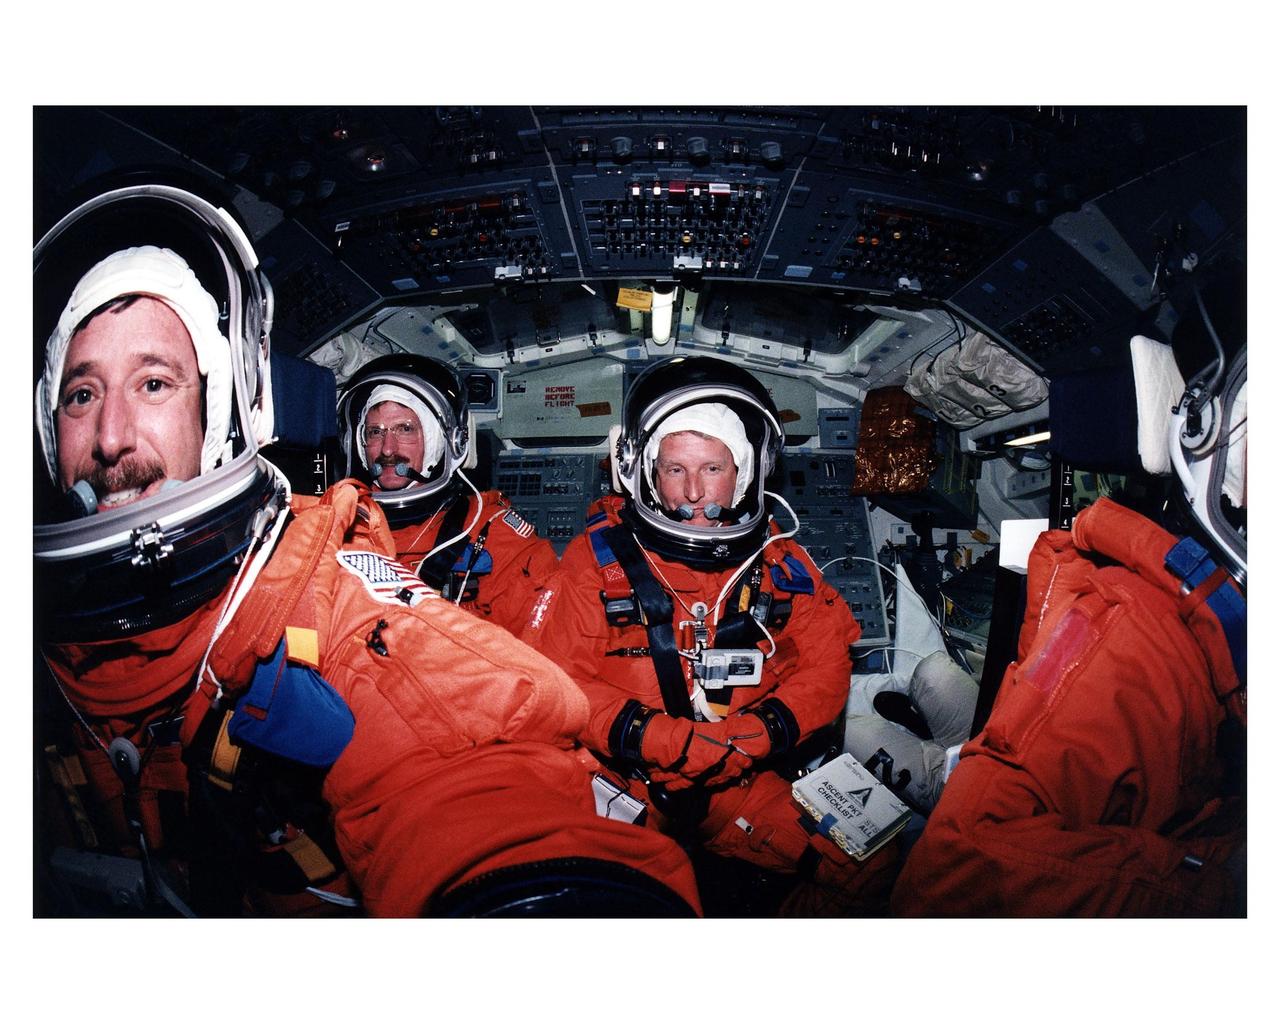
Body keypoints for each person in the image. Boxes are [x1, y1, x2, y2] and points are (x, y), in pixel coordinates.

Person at [33, 182, 700, 917]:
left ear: (221, 410)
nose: (112, 437)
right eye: (81, 395)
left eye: (154, 383)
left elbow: (468, 748)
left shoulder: (338, 579)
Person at [892, 328, 1246, 916]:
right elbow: (960, 865)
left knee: (932, 677)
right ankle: (944, 772)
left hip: (1016, 769)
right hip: (1009, 788)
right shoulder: (1132, 642)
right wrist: (1225, 891)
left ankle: (949, 767)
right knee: (925, 681)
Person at [526, 356, 898, 915]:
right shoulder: (593, 561)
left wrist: (757, 734)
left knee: (868, 865)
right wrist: (657, 740)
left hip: (737, 777)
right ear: (647, 474)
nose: (694, 492)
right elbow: (557, 681)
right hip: (626, 779)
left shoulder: (778, 560)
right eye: (675, 469)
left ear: (745, 473)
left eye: (713, 469)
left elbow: (825, 666)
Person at [336, 355, 557, 638]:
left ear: (445, 442)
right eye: (375, 432)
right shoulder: (337, 527)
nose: (387, 449)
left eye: (405, 429)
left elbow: (532, 661)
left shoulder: (497, 539)